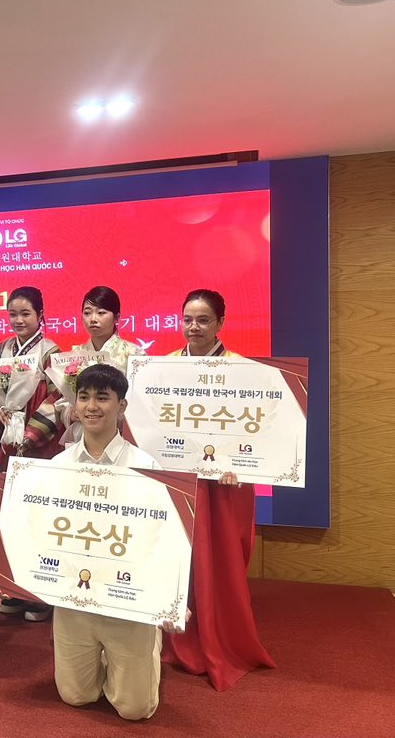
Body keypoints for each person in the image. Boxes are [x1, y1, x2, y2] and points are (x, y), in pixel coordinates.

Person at [50, 363, 180, 721]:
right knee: (76, 696)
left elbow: (165, 536)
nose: (92, 406)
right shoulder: (56, 466)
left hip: (128, 599)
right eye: (84, 397)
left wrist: (170, 596)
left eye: (103, 398)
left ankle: (145, 645)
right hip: (75, 597)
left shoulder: (147, 467)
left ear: (121, 406)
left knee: (135, 710)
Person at [161, 289, 275, 691]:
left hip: (227, 483)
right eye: (188, 319)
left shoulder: (243, 370)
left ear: (221, 323)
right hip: (182, 478)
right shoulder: (163, 368)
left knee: (223, 558)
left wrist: (241, 464)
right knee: (182, 555)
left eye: (203, 320)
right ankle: (177, 632)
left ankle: (223, 634)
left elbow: (260, 427)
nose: (194, 327)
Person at [0, 287, 61, 622]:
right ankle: (13, 586)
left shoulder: (51, 352)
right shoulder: (5, 348)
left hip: (39, 445)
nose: (18, 320)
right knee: (12, 513)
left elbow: (57, 397)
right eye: (13, 314)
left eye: (25, 314)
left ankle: (40, 593)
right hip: (10, 442)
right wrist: (1, 412)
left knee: (40, 514)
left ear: (40, 316)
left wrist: (31, 435)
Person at [63, 286, 146, 434]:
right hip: (82, 432)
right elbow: (63, 399)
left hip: (119, 432)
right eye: (87, 313)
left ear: (116, 317)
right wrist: (70, 412)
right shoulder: (74, 356)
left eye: (101, 313)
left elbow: (142, 400)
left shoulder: (134, 354)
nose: (93, 319)